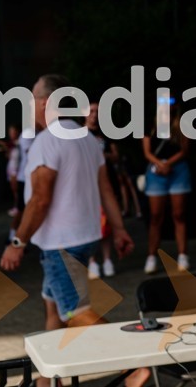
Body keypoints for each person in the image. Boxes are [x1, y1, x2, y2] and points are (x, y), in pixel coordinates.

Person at [0, 75, 137, 339]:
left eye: (32, 98)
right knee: (52, 304)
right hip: (85, 238)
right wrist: (119, 229)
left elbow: (40, 200)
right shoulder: (87, 138)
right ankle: (50, 367)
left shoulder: (46, 141)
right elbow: (106, 190)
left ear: (46, 102)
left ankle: (130, 355)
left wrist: (17, 243)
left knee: (76, 313)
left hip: (60, 245)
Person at [142, 104, 191, 274]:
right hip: (156, 171)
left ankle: (183, 255)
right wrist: (160, 164)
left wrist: (168, 164)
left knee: (179, 214)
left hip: (178, 170)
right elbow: (147, 152)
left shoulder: (181, 125)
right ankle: (151, 256)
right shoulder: (150, 126)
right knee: (156, 216)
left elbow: (184, 150)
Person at [85, 102, 117, 279]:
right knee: (90, 223)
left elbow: (115, 155)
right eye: (91, 111)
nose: (94, 114)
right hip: (86, 185)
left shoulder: (106, 133)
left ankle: (107, 259)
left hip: (105, 183)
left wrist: (103, 156)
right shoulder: (79, 134)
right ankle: (91, 261)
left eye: (97, 111)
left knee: (106, 223)